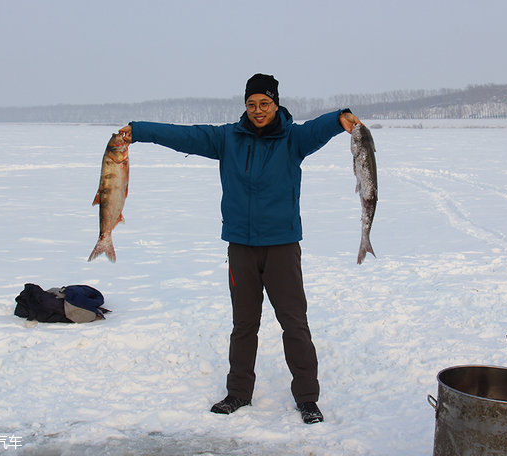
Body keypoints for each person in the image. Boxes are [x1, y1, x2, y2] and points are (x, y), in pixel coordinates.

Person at [119, 74, 362, 424]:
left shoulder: (292, 139)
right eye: (251, 104)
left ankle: (307, 397)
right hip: (241, 247)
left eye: (264, 104)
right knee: (244, 323)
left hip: (282, 246)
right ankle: (238, 393)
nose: (258, 111)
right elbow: (182, 135)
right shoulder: (227, 139)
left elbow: (319, 128)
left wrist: (342, 116)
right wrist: (138, 129)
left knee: (294, 323)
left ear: (276, 104)